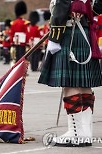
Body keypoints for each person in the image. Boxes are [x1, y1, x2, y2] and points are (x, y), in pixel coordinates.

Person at [38, 0, 102, 147]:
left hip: (69, 32)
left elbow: (62, 4)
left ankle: (75, 133)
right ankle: (85, 134)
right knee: (84, 85)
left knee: (70, 83)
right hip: (84, 31)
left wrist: (54, 37)